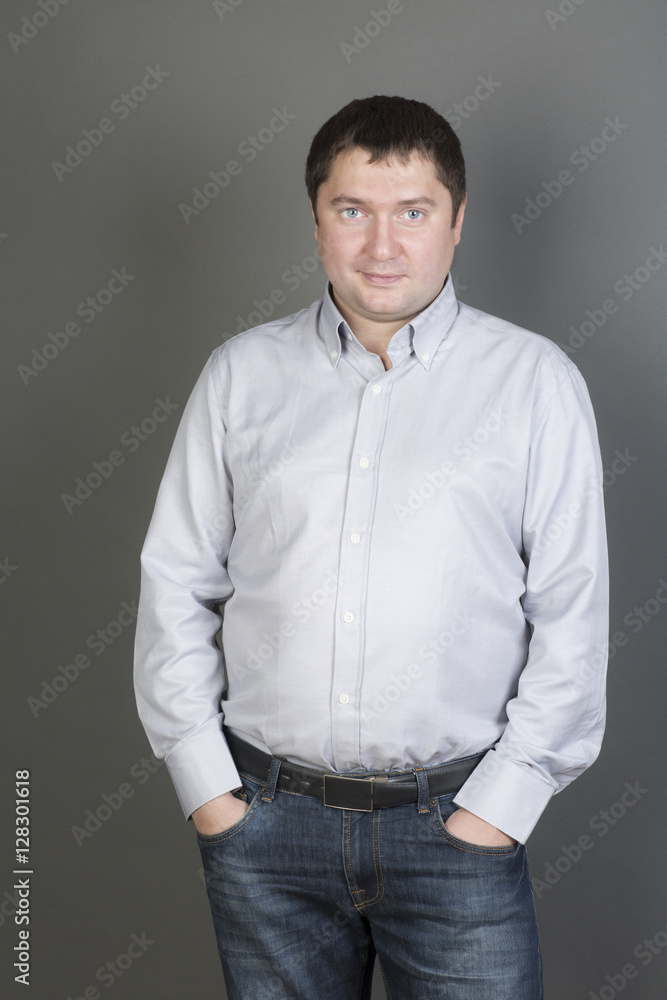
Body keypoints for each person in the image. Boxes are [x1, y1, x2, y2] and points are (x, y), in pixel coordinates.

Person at [133, 95, 609, 999]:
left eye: (412, 213)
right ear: (316, 219)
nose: (381, 247)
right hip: (265, 833)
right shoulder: (241, 376)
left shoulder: (534, 382)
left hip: (457, 826)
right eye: (352, 211)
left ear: (457, 222)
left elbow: (571, 612)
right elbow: (175, 584)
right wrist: (210, 794)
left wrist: (499, 810)